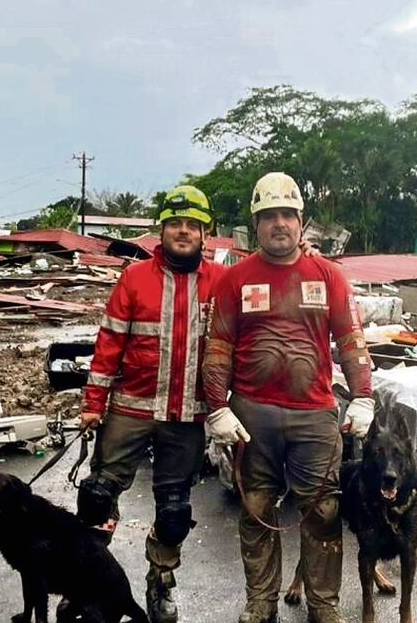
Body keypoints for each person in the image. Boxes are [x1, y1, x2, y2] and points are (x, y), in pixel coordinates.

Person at [202, 172, 375, 623]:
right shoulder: (234, 279)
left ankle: (324, 605)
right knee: (257, 508)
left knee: (323, 510)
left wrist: (363, 397)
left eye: (287, 215)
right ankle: (261, 601)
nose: (279, 224)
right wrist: (217, 406)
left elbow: (352, 340)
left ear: (301, 222)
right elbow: (218, 346)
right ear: (256, 223)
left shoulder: (329, 276)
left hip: (314, 413)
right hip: (252, 415)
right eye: (269, 216)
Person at [78, 185, 223, 623]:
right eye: (175, 223)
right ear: (162, 229)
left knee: (175, 509)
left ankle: (160, 584)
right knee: (97, 497)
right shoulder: (134, 278)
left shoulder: (223, 281)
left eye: (192, 225)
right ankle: (87, 583)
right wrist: (93, 402)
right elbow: (109, 344)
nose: (183, 231)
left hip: (187, 415)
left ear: (205, 232)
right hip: (131, 408)